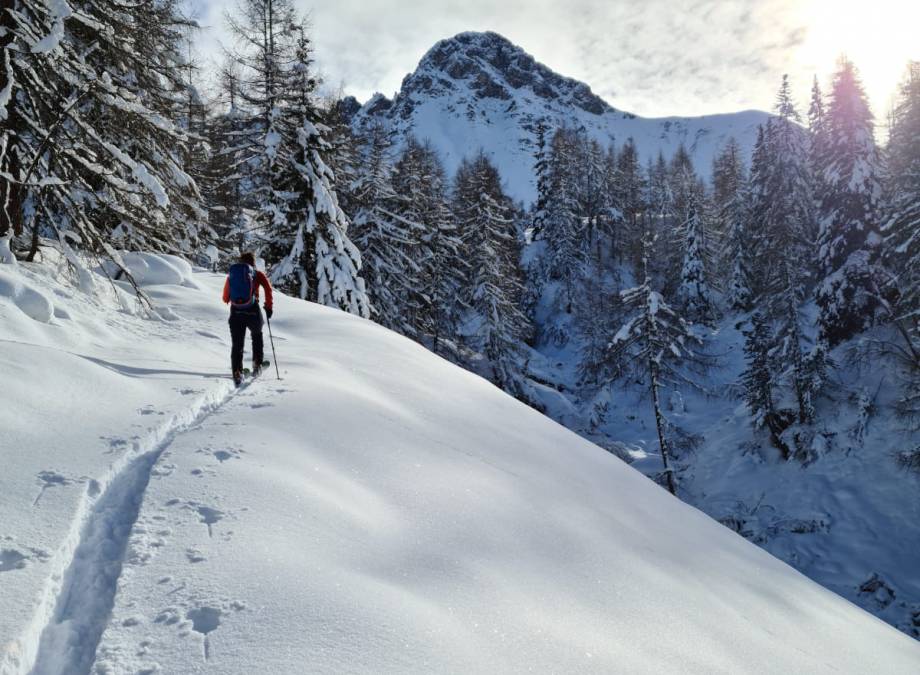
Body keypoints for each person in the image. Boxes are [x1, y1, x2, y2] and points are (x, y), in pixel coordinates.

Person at [222, 252, 273, 384]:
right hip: (252, 311)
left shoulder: (233, 275)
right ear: (253, 262)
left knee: (237, 343)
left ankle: (237, 372)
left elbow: (225, 297)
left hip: (235, 312)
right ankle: (257, 364)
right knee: (257, 335)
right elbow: (268, 289)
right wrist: (268, 307)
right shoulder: (257, 274)